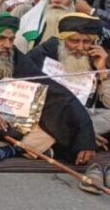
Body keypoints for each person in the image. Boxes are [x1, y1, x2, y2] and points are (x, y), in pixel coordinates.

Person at [0, 13, 98, 168]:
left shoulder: (13, 56)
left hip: (12, 117)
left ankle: (10, 150)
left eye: (11, 39)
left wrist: (84, 130)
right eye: (0, 38)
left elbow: (51, 89)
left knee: (53, 124)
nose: (7, 45)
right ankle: (22, 149)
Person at [27, 13, 110, 148]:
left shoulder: (97, 58)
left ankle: (70, 138)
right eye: (74, 41)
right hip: (48, 115)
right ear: (62, 39)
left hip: (84, 116)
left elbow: (108, 103)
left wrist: (102, 71)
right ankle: (79, 137)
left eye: (86, 42)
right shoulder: (41, 54)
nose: (80, 47)